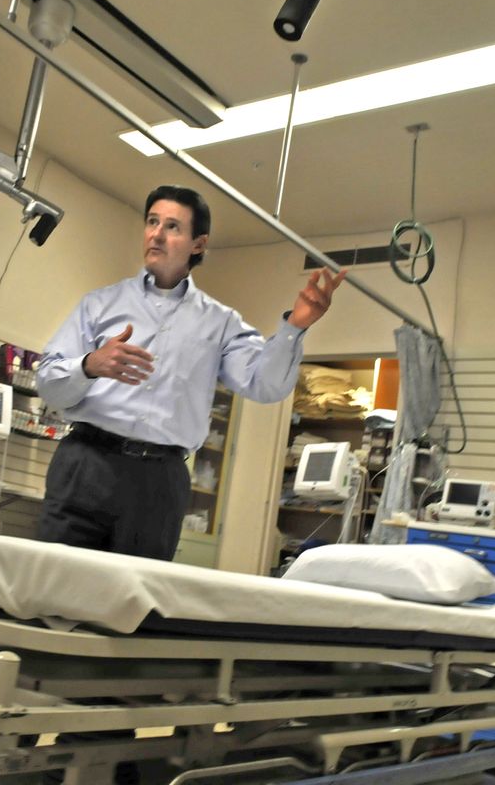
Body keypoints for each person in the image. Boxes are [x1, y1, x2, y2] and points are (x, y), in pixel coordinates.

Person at [34, 184, 345, 560]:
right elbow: (49, 384)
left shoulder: (220, 323)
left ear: (198, 244)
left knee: (133, 606)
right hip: (86, 463)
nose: (156, 234)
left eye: (172, 226)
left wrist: (295, 327)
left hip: (158, 480)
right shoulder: (99, 304)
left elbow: (265, 385)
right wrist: (89, 365)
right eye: (152, 222)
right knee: (51, 585)